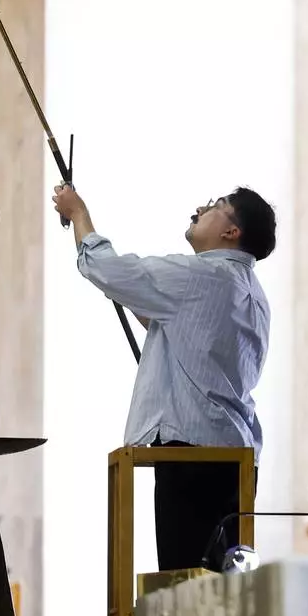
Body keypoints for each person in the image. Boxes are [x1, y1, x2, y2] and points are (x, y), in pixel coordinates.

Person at [52, 183, 276, 571]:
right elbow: (177, 328)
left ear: (231, 232)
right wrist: (129, 290)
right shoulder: (251, 292)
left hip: (190, 456)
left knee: (186, 587)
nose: (201, 207)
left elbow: (106, 268)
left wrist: (79, 214)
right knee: (223, 589)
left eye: (217, 205)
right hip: (235, 458)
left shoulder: (202, 276)